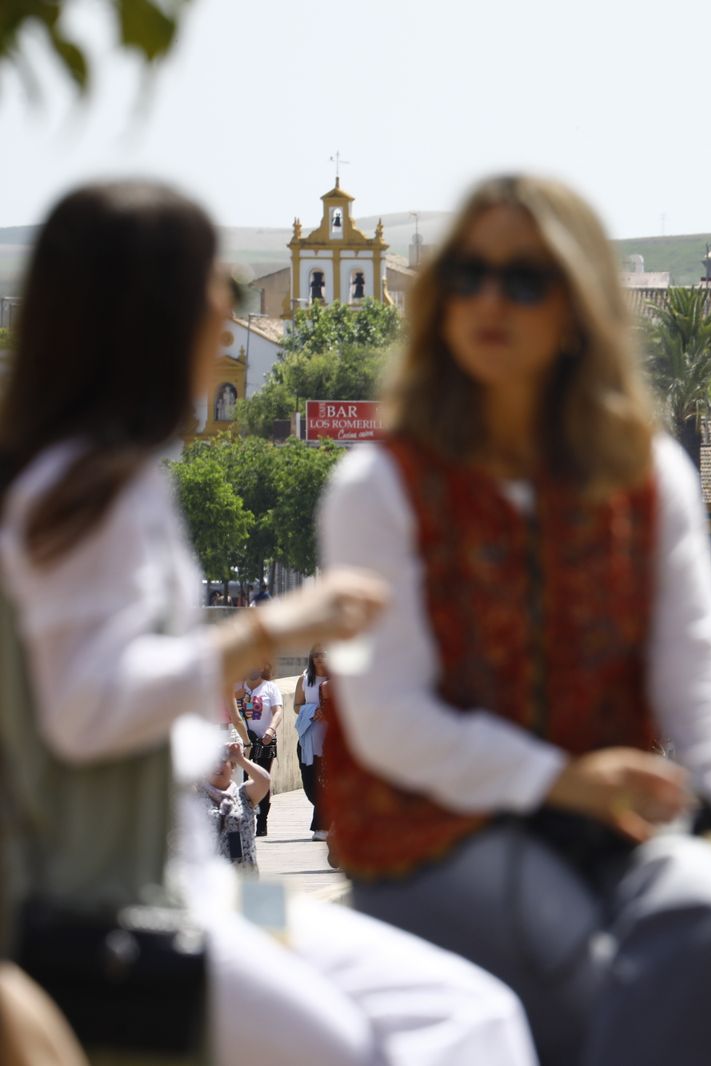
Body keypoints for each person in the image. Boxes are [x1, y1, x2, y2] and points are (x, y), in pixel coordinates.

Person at [318, 174, 711, 1066]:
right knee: (575, 953)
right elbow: (390, 721)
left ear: (576, 307)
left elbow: (697, 682)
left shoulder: (645, 482)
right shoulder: (380, 492)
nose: (491, 299)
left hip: (606, 836)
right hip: (435, 841)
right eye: (469, 275)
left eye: (523, 279)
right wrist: (567, 781)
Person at [0, 181, 533, 1066]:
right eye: (214, 295)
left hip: (213, 886)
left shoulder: (101, 478)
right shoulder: (74, 496)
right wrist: (271, 627)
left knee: (467, 1011)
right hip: (133, 913)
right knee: (389, 1040)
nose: (226, 320)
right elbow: (85, 708)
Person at [198, 736, 273, 870]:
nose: (217, 766)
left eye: (222, 761)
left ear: (232, 768)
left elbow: (264, 781)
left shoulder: (243, 794)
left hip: (243, 876)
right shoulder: (195, 795)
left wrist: (240, 759)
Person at [235, 661, 282, 836]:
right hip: (242, 741)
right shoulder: (236, 686)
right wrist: (235, 696)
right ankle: (247, 820)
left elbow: (278, 711)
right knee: (243, 780)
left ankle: (262, 822)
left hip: (264, 740)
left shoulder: (270, 688)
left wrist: (271, 730)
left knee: (263, 779)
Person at [293, 645, 332, 841]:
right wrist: (311, 711)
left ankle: (322, 827)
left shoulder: (338, 680)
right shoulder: (304, 679)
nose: (318, 658)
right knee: (310, 785)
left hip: (330, 741)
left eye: (322, 654)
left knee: (327, 785)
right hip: (307, 739)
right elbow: (296, 706)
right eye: (315, 655)